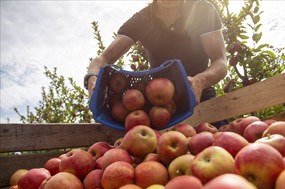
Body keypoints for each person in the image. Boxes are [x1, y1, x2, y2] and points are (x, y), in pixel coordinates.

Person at [84, 0, 228, 128]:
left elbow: (220, 61)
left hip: (201, 97)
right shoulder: (141, 20)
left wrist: (200, 80)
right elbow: (102, 60)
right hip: (160, 108)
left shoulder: (202, 10)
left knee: (222, 149)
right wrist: (92, 77)